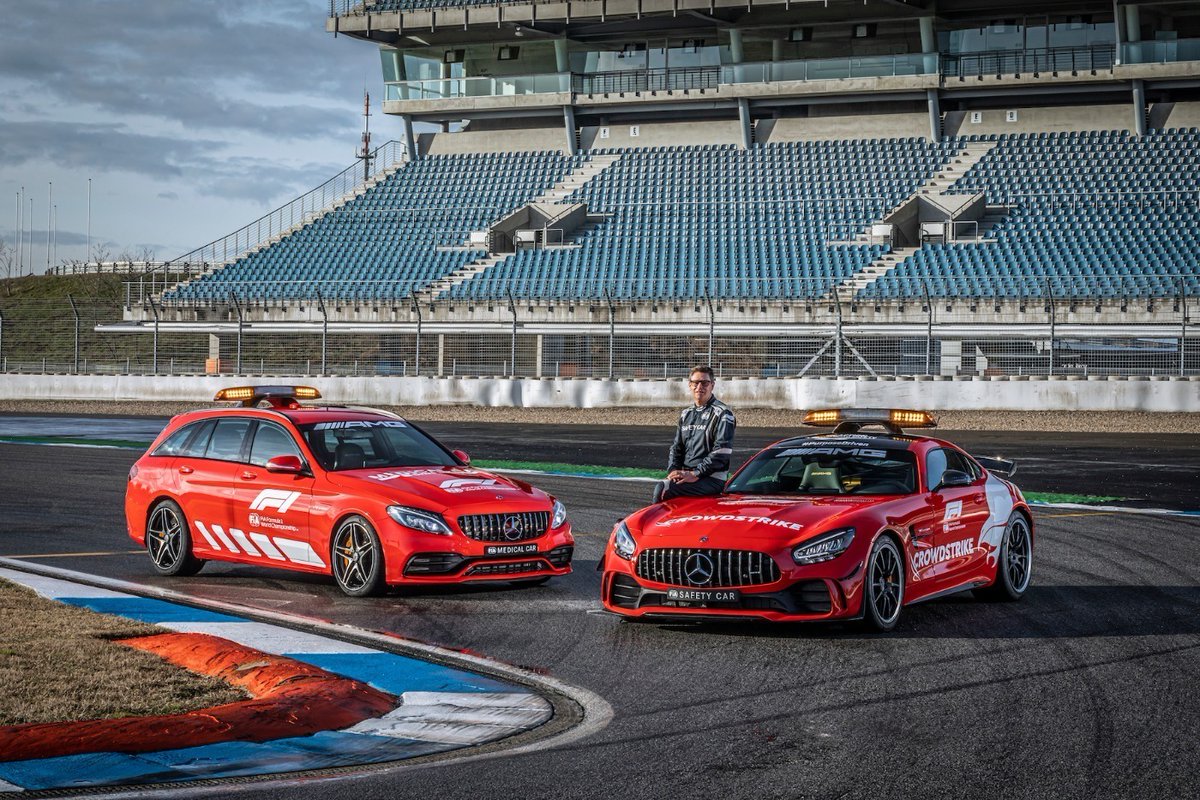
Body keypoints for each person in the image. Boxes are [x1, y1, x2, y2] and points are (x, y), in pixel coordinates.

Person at [653, 365, 736, 503]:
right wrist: (673, 470)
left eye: (705, 383)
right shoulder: (686, 414)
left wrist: (696, 473)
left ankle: (655, 525)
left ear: (712, 385)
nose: (700, 387)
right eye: (695, 383)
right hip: (687, 475)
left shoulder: (723, 413)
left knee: (663, 488)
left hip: (712, 479)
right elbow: (676, 447)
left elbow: (722, 452)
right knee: (670, 484)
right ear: (690, 385)